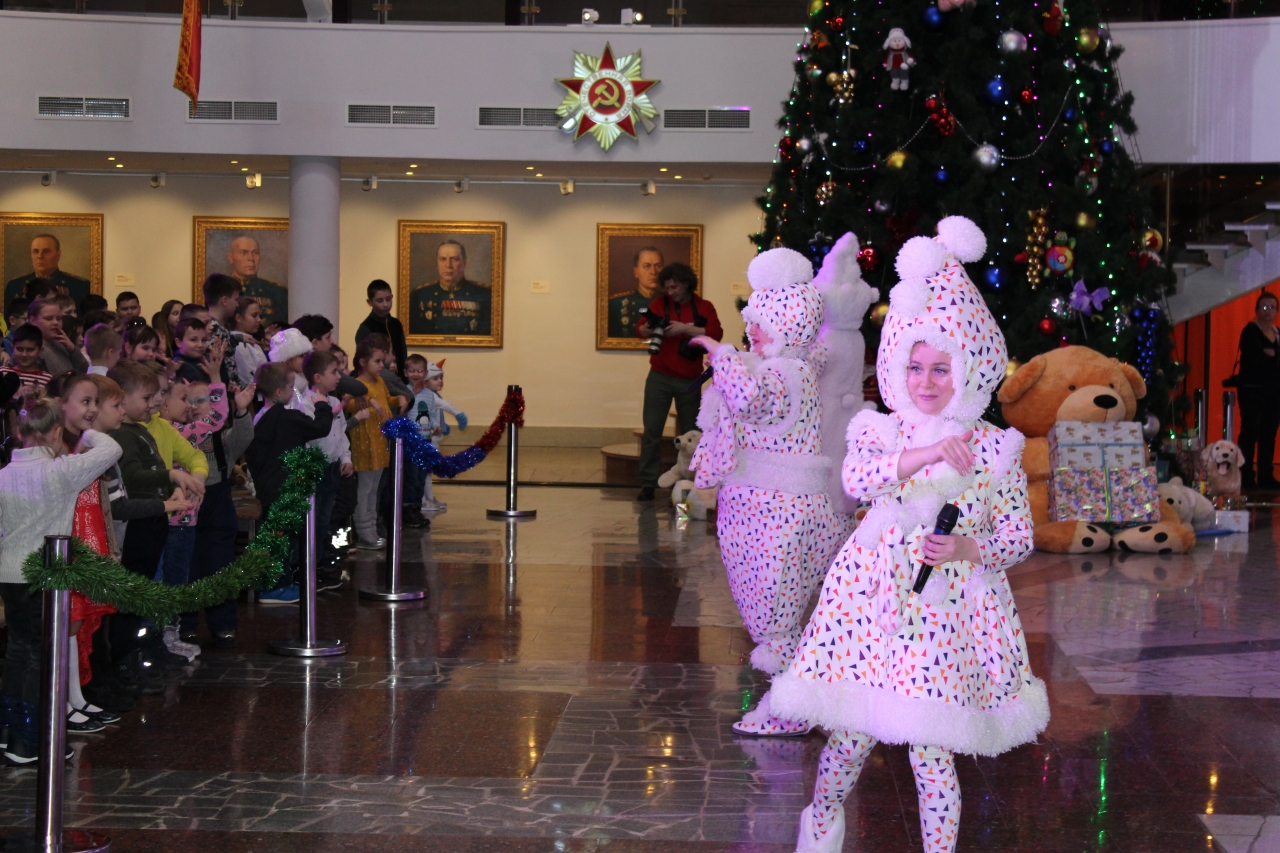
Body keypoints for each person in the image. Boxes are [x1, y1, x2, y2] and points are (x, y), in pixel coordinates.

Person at [767, 219, 1047, 853]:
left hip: (945, 615)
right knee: (851, 734)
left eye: (941, 368)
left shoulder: (995, 449)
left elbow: (1016, 535)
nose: (925, 382)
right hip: (870, 603)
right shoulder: (882, 430)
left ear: (970, 368)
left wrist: (969, 548)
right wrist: (922, 457)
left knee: (931, 746)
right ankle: (821, 817)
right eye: (914, 366)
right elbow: (857, 479)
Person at [687, 248, 845, 737]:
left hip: (774, 511)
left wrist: (722, 356)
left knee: (773, 611)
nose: (751, 329)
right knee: (780, 608)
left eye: (763, 321)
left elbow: (752, 403)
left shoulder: (781, 373)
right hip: (775, 506)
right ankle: (795, 699)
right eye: (751, 320)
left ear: (789, 323)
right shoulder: (791, 365)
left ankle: (789, 708)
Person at [0, 391, 120, 763]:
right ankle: (29, 742)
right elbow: (111, 448)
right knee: (40, 656)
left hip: (8, 573)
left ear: (20, 433)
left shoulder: (4, 474)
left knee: (17, 651)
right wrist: (86, 430)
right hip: (45, 574)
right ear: (56, 433)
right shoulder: (62, 471)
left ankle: (8, 733)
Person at [104, 361, 204, 691]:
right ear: (122, 397)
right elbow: (133, 477)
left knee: (145, 592)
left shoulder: (140, 430)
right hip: (136, 522)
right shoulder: (122, 435)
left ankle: (143, 652)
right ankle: (128, 659)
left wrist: (171, 488)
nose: (153, 404)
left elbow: (154, 468)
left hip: (153, 519)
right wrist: (171, 477)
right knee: (133, 597)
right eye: (146, 398)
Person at [247, 361, 334, 604]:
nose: (293, 392)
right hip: (283, 487)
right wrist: (322, 406)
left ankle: (280, 582)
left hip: (268, 486)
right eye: (291, 387)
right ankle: (274, 588)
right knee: (280, 540)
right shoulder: (287, 418)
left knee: (278, 537)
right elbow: (320, 427)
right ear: (279, 391)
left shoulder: (261, 418)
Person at [635, 263, 722, 501]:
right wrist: (650, 327)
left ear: (686, 283)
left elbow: (716, 333)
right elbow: (640, 331)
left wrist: (686, 329)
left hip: (690, 379)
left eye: (674, 287)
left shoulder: (703, 307)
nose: (670, 292)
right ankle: (648, 484)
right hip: (659, 376)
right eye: (667, 288)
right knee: (652, 431)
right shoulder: (659, 304)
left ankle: (693, 482)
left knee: (692, 434)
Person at [297, 350, 351, 586]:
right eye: (334, 372)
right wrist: (328, 415)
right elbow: (312, 439)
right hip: (315, 469)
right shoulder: (305, 405)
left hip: (333, 469)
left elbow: (342, 434)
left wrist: (346, 458)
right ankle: (308, 566)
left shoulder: (335, 402)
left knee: (325, 518)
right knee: (313, 521)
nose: (339, 376)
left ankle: (319, 562)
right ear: (317, 377)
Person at [344, 335, 394, 549]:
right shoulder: (357, 385)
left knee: (374, 489)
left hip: (380, 443)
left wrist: (402, 399)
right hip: (365, 445)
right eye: (377, 361)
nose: (382, 365)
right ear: (363, 362)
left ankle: (372, 529)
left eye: (383, 360)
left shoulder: (380, 381)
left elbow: (386, 402)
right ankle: (363, 532)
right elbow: (348, 404)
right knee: (364, 489)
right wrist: (368, 401)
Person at [406, 355, 467, 517]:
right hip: (412, 442)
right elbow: (403, 412)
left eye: (419, 371)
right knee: (412, 477)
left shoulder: (429, 395)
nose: (416, 374)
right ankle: (411, 509)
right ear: (405, 372)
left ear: (425, 373)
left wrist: (435, 426)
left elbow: (430, 415)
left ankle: (420, 506)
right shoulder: (405, 391)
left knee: (422, 476)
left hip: (426, 439)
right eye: (412, 371)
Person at [1235, 290, 1280, 490]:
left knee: (1269, 432)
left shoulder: (1277, 333)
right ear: (1256, 310)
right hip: (1252, 389)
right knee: (1250, 431)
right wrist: (1269, 356)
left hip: (1274, 391)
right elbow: (1255, 359)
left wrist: (1271, 354)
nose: (1267, 311)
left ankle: (1266, 475)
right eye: (1264, 307)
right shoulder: (1250, 331)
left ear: (1277, 311)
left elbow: (1272, 358)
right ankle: (1246, 476)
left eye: (1272, 307)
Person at [408, 241, 492, 338]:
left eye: (455, 259)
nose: (448, 265)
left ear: (464, 263)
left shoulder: (485, 294)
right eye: (443, 259)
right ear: (437, 262)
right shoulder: (419, 295)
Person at [4, 234, 91, 308]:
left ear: (58, 255)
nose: (40, 256)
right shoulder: (15, 285)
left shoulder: (79, 286)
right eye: (35, 251)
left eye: (46, 251)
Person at [225, 235, 288, 325]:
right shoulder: (220, 290)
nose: (251, 258)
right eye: (243, 253)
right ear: (231, 258)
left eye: (255, 253)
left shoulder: (277, 292)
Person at [607, 246, 664, 339]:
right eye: (647, 266)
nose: (653, 272)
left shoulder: (672, 302)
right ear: (636, 272)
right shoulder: (615, 305)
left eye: (658, 266)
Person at [355, 280, 408, 380]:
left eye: (388, 299)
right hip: (379, 380)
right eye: (380, 301)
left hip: (400, 379)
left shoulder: (396, 324)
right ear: (370, 302)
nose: (385, 304)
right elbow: (366, 362)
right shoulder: (366, 328)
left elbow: (403, 354)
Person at [202, 274, 243, 386]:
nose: (237, 304)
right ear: (224, 300)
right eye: (235, 299)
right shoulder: (214, 329)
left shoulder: (219, 327)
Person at [29, 298, 87, 375]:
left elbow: (84, 371)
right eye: (49, 318)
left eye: (59, 318)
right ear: (33, 320)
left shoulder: (61, 344)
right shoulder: (30, 349)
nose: (56, 322)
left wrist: (72, 349)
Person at [230, 296, 268, 383]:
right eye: (254, 315)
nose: (259, 320)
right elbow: (250, 378)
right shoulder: (239, 344)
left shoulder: (250, 340)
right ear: (239, 318)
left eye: (259, 315)